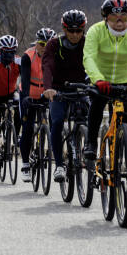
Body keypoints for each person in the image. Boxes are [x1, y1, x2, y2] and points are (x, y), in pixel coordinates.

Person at [83, 0, 127, 209]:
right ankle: (91, 143)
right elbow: (89, 57)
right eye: (114, 17)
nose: (119, 21)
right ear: (105, 18)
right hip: (102, 82)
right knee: (96, 105)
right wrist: (97, 79)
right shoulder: (95, 31)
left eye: (124, 17)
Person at [42, 10, 90, 183]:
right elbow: (47, 66)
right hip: (58, 88)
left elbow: (97, 63)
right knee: (57, 121)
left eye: (79, 31)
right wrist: (48, 88)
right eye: (71, 31)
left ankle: (87, 153)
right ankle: (60, 165)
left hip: (82, 87)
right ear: (64, 29)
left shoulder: (89, 43)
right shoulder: (54, 44)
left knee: (88, 118)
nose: (75, 35)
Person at [18, 27, 56, 182]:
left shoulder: (55, 56)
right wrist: (26, 96)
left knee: (55, 124)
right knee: (27, 128)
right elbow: (25, 79)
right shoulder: (28, 56)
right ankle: (26, 164)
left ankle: (51, 152)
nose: (45, 47)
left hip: (48, 93)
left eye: (49, 43)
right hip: (29, 93)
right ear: (36, 43)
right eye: (41, 43)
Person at [0, 35, 21, 173]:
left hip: (12, 93)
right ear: (0, 51)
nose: (10, 54)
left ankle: (15, 136)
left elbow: (25, 77)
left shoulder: (18, 61)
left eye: (12, 51)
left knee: (20, 108)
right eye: (6, 52)